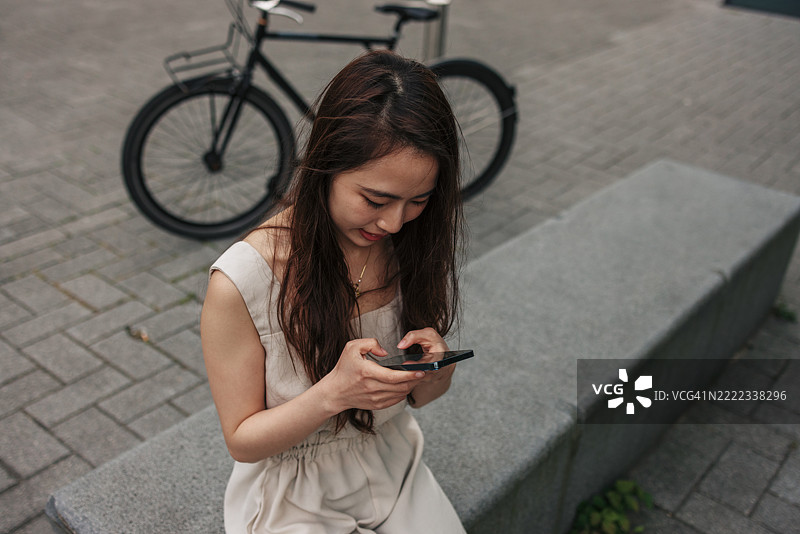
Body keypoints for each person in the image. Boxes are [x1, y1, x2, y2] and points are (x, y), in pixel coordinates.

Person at [201, 49, 466, 533]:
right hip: (289, 492)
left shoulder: (411, 244)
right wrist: (334, 394)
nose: (392, 222)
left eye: (419, 201)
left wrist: (431, 370)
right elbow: (242, 440)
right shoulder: (244, 280)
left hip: (393, 463)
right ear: (325, 167)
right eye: (375, 199)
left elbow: (422, 400)